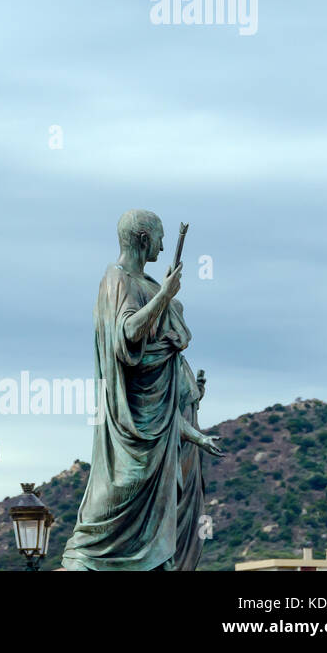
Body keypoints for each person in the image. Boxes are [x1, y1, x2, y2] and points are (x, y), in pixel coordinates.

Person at [62, 209, 222, 571]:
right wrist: (164, 295)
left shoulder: (147, 283)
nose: (165, 246)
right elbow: (128, 335)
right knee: (110, 502)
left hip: (157, 435)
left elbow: (165, 404)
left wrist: (196, 437)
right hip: (128, 427)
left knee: (157, 539)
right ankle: (83, 560)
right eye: (160, 238)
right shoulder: (115, 279)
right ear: (144, 238)